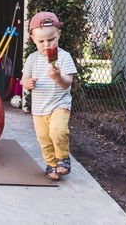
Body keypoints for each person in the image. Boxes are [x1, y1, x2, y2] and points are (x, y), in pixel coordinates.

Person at [21, 12, 77, 181]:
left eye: (51, 39)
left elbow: (67, 82)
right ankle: (51, 164)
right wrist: (27, 83)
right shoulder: (32, 59)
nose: (46, 45)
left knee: (57, 131)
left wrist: (57, 77)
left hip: (60, 103)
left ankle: (63, 158)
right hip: (39, 107)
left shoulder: (64, 57)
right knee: (44, 139)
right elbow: (24, 79)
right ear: (33, 39)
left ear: (58, 35)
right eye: (41, 41)